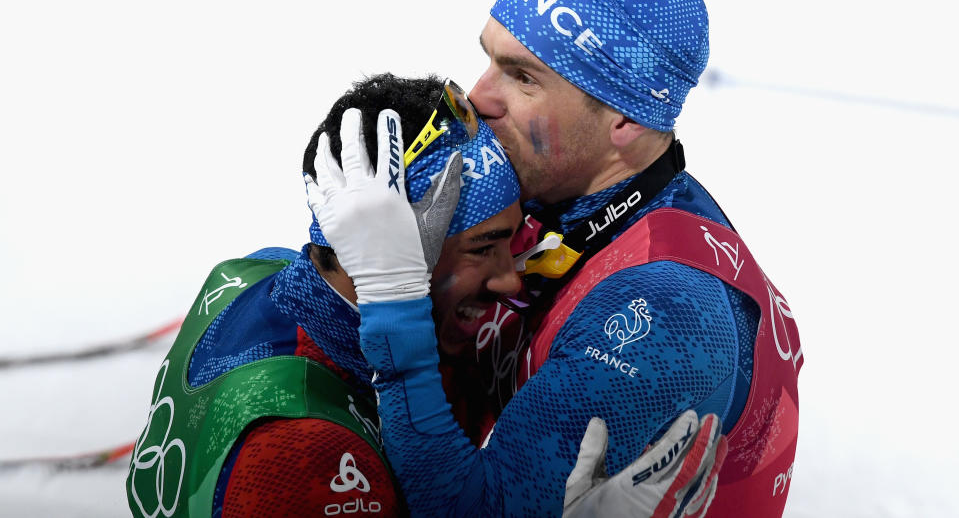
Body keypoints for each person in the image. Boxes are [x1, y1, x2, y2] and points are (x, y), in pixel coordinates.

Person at [310, 0, 802, 518]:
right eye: (489, 58)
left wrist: (393, 297)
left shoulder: (663, 311)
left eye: (522, 77)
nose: (477, 96)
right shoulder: (564, 191)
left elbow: (470, 512)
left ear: (625, 118)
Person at [127, 73, 725, 518]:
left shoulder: (257, 271)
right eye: (483, 246)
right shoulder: (309, 454)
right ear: (391, 248)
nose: (510, 278)